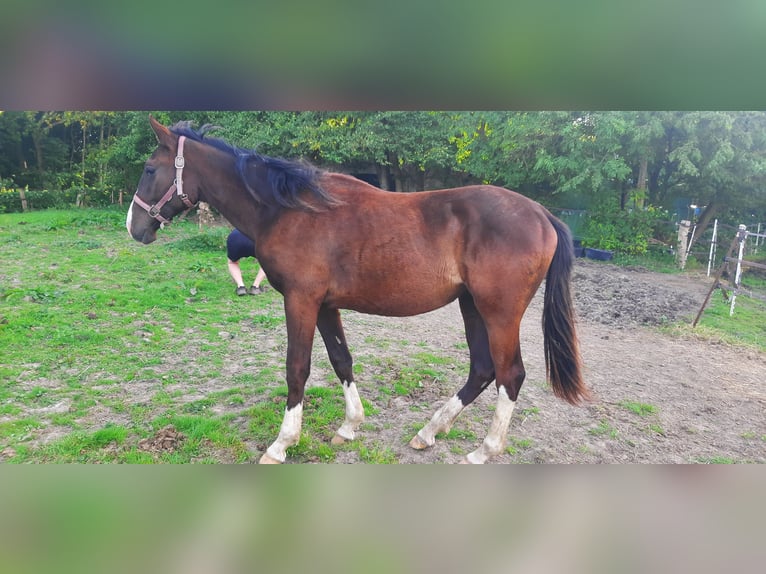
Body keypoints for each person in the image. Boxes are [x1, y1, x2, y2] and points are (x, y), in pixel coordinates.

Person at [226, 228, 268, 296]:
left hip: (235, 238)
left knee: (232, 262)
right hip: (255, 239)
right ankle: (255, 287)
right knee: (266, 263)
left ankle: (241, 287)